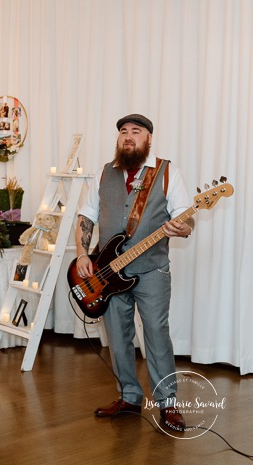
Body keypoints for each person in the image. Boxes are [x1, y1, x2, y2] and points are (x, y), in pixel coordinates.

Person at [74, 114, 193, 431]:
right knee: (117, 337)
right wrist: (83, 253)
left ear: (149, 139)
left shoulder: (167, 173)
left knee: (156, 334)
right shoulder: (104, 174)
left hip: (152, 270)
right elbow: (87, 215)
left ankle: (167, 404)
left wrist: (182, 227)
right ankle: (128, 396)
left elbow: (185, 216)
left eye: (136, 132)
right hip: (108, 273)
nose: (128, 136)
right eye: (123, 132)